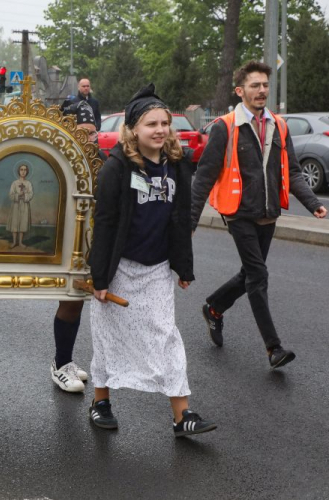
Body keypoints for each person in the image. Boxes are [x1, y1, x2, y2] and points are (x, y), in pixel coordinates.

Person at [88, 83, 216, 438]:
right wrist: (100, 277)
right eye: (151, 124)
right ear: (133, 130)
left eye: (164, 123)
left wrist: (183, 268)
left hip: (157, 268)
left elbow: (180, 219)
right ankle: (100, 402)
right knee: (108, 336)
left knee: (166, 336)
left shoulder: (176, 165)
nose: (160, 130)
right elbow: (106, 223)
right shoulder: (116, 168)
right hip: (119, 268)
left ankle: (182, 415)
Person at [191, 61, 326, 369]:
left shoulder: (279, 125)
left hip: (268, 213)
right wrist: (190, 221)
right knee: (259, 276)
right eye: (255, 85)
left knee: (250, 274)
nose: (262, 90)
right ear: (240, 91)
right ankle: (273, 348)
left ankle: (213, 307)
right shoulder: (225, 127)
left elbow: (291, 170)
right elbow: (204, 176)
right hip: (238, 212)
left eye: (265, 84)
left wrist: (312, 202)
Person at [48, 100, 104, 394]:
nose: (88, 139)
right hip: (62, 245)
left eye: (92, 132)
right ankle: (61, 364)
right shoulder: (54, 162)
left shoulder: (105, 161)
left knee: (80, 303)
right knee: (70, 301)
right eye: (81, 132)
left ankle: (66, 361)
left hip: (93, 245)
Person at [6, 163, 33, 248]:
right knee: (15, 222)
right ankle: (14, 242)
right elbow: (10, 195)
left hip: (24, 205)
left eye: (25, 170)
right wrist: (18, 195)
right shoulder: (14, 183)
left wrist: (24, 195)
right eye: (21, 170)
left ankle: (20, 242)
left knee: (23, 223)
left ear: (27, 172)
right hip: (16, 205)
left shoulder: (28, 183)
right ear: (19, 171)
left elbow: (31, 194)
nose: (23, 172)